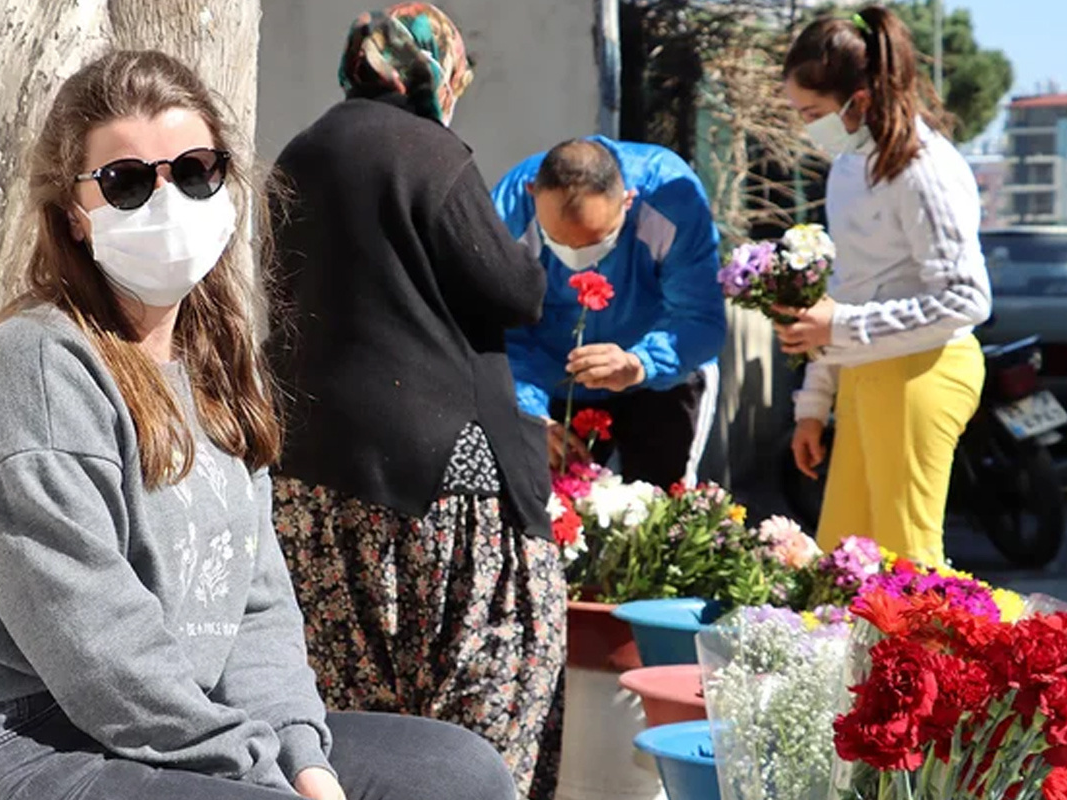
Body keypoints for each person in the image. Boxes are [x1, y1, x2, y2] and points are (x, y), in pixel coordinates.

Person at [0, 50, 516, 800]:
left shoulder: (211, 368)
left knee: (457, 774)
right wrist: (256, 773)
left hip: (168, 722)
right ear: (77, 215)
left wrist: (304, 764)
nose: (167, 198)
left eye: (194, 170)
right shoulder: (37, 369)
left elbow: (255, 602)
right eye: (127, 181)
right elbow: (99, 647)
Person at [266, 5, 565, 799]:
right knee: (485, 703)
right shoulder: (430, 154)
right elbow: (514, 290)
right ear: (441, 69)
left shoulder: (300, 154)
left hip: (313, 482)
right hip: (443, 481)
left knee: (357, 721)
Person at [778, 6, 991, 566]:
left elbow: (968, 297)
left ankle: (971, 657)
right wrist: (814, 403)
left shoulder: (924, 168)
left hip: (926, 372)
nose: (806, 126)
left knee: (910, 566)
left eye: (813, 111)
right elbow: (848, 288)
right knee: (845, 564)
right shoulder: (849, 168)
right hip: (867, 375)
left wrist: (840, 327)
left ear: (861, 100)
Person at [490, 137, 726, 488]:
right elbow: (495, 323)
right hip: (548, 379)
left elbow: (700, 319)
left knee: (657, 519)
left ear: (629, 201)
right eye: (557, 241)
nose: (576, 257)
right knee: (545, 516)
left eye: (596, 242)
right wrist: (528, 411)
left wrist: (641, 364)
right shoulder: (510, 208)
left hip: (657, 378)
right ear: (531, 193)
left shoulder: (670, 197)